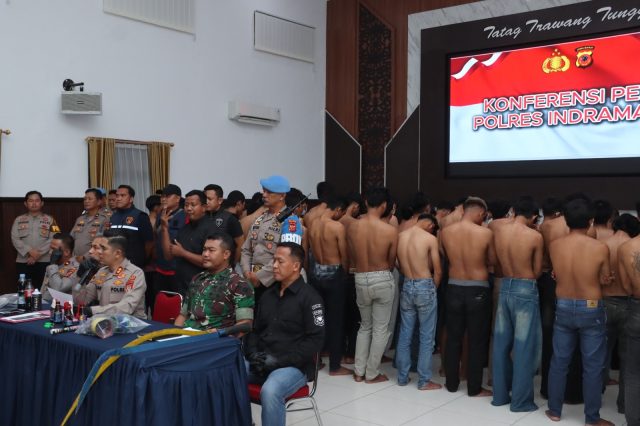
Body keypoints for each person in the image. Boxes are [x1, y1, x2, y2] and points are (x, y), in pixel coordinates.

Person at [546, 198, 613, 426]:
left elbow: (557, 272)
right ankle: (592, 418)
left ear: (566, 220)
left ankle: (554, 410)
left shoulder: (555, 245)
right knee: (592, 366)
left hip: (563, 304)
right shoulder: (600, 247)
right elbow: (605, 278)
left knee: (559, 361)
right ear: (591, 221)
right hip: (590, 307)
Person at [245, 242, 325, 426]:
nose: (273, 266)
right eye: (273, 260)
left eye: (280, 261)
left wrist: (278, 362)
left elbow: (315, 341)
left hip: (293, 367)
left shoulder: (311, 298)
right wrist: (252, 353)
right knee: (226, 373)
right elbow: (255, 330)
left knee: (270, 390)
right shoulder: (267, 295)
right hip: (261, 361)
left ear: (295, 266)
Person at [491, 197, 544, 412]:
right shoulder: (535, 236)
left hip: (505, 285)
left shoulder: (499, 232)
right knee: (524, 346)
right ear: (533, 216)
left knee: (501, 344)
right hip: (525, 288)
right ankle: (521, 401)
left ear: (514, 211)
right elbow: (537, 270)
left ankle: (500, 396)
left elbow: (495, 261)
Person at [439, 196, 495, 397]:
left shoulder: (446, 232)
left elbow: (445, 255)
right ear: (480, 213)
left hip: (453, 286)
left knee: (453, 337)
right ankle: (474, 388)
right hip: (477, 288)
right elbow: (492, 260)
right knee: (476, 339)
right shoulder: (485, 233)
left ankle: (451, 384)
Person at [346, 187, 398, 383]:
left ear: (366, 202)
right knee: (380, 329)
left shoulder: (352, 227)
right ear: (384, 205)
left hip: (360, 277)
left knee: (365, 326)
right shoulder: (390, 231)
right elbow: (391, 262)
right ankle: (372, 373)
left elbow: (352, 255)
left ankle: (359, 371)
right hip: (382, 277)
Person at [395, 213, 442, 390]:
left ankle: (402, 377)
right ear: (430, 225)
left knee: (405, 333)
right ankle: (424, 381)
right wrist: (432, 288)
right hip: (424, 285)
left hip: (407, 284)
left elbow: (396, 262)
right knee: (426, 336)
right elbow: (438, 270)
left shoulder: (400, 236)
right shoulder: (430, 239)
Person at [174, 232, 254, 332]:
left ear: (226, 254)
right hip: (187, 335)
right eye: (204, 250)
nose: (205, 254)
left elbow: (245, 324)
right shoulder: (198, 278)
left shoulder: (239, 284)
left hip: (215, 338)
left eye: (211, 250)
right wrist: (175, 335)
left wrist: (220, 335)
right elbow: (183, 316)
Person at [308, 197, 350, 376]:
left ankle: (316, 361)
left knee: (318, 319)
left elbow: (308, 252)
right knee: (335, 321)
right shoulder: (337, 227)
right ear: (338, 209)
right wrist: (345, 273)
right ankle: (335, 366)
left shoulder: (312, 225)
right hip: (334, 274)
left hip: (316, 272)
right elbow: (344, 255)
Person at [602, 213, 639, 412]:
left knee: (600, 354)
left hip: (605, 301)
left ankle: (595, 396)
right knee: (628, 359)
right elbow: (628, 287)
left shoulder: (602, 244)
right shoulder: (631, 245)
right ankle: (624, 405)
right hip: (627, 304)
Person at [73, 234, 147, 318]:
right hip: (106, 322)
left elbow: (127, 306)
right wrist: (80, 276)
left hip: (132, 323)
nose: (100, 252)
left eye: (104, 248)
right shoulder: (101, 272)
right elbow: (81, 301)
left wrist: (92, 311)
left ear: (117, 253)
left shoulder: (135, 273)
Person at [161, 190, 218, 295]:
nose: (188, 208)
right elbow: (168, 256)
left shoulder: (211, 229)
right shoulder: (184, 229)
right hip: (181, 287)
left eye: (193, 205)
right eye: (186, 205)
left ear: (204, 207)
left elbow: (211, 261)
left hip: (202, 289)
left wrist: (183, 253)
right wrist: (164, 228)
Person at [241, 175, 290, 297]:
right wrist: (247, 272)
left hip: (274, 282)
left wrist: (260, 277)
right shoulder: (260, 219)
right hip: (252, 279)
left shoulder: (290, 221)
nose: (264, 195)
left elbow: (286, 256)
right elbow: (246, 249)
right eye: (264, 191)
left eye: (269, 192)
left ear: (282, 196)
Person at [616, 223, 640, 426]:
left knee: (633, 371)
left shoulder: (625, 248)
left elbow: (625, 286)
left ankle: (633, 421)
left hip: (637, 309)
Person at [11, 190, 60, 286]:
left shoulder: (51, 220)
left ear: (42, 203)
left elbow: (55, 237)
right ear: (25, 203)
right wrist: (30, 251)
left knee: (43, 289)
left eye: (37, 201)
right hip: (23, 261)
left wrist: (37, 254)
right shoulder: (18, 220)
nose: (34, 203)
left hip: (44, 261)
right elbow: (15, 238)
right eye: (31, 201)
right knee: (24, 289)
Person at [153, 184, 187, 303]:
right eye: (162, 196)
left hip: (176, 270)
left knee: (176, 304)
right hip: (160, 267)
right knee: (161, 302)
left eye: (167, 196)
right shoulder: (160, 214)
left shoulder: (185, 216)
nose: (163, 199)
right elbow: (156, 236)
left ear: (177, 198)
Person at [108, 185, 154, 269]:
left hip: (134, 265)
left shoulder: (140, 216)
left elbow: (149, 243)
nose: (118, 198)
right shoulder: (113, 216)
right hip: (115, 263)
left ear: (131, 199)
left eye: (122, 195)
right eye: (117, 196)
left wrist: (142, 260)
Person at [204, 184, 244, 262]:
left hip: (222, 264)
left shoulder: (230, 219)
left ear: (220, 200)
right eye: (204, 199)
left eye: (209, 199)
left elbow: (240, 244)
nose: (206, 202)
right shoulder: (201, 216)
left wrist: (232, 264)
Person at [70, 188, 110, 260]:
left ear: (99, 202)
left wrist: (85, 257)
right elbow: (71, 238)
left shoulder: (105, 219)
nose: (86, 201)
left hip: (94, 260)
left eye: (90, 199)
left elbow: (103, 242)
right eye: (85, 199)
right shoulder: (80, 219)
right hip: (76, 259)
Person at [41, 233, 80, 302]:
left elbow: (58, 288)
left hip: (61, 306)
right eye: (50, 248)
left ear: (66, 252)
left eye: (53, 249)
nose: (50, 252)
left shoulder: (75, 267)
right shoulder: (58, 264)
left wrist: (52, 265)